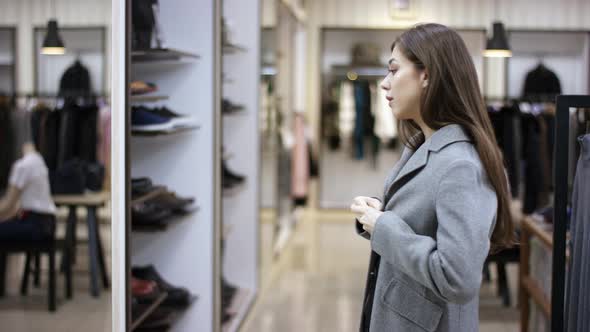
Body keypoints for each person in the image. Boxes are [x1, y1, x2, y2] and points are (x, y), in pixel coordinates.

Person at [350, 23, 514, 332]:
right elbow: (421, 224)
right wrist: (379, 213)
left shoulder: (460, 165)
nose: (385, 84)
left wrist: (385, 225)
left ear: (426, 75)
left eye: (394, 70)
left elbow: (457, 278)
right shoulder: (422, 146)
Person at [0, 142, 56, 241]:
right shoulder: (38, 160)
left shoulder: (22, 166)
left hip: (34, 224)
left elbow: (8, 205)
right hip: (48, 224)